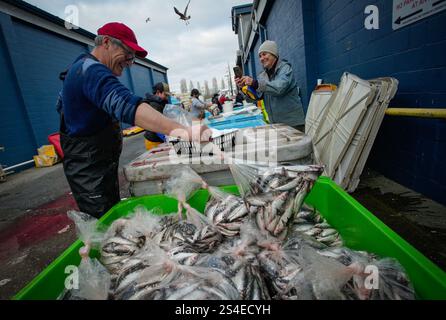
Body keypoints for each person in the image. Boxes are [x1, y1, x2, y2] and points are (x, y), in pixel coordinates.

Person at [57, 22, 209, 218]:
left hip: (100, 165)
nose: (130, 62)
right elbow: (129, 106)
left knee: (112, 213)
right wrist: (184, 132)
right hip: (89, 170)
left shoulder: (82, 69)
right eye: (128, 53)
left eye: (133, 58)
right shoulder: (90, 71)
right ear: (106, 43)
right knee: (103, 222)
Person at [235, 40, 305, 131]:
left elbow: (279, 88)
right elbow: (255, 97)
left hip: (293, 124)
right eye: (260, 56)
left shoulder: (285, 69)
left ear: (274, 55)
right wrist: (244, 87)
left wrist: (255, 83)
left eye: (264, 54)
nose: (261, 58)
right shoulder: (263, 76)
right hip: (276, 125)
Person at [143, 82, 171, 150]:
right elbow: (155, 124)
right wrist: (166, 138)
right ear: (158, 92)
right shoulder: (153, 105)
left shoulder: (161, 103)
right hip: (153, 141)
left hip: (159, 139)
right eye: (165, 95)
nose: (166, 97)